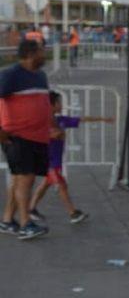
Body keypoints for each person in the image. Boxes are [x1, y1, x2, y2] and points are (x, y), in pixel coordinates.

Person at [28, 91, 113, 225]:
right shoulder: (42, 123)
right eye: (59, 102)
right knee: (62, 185)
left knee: (45, 184)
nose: (61, 105)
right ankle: (73, 213)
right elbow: (46, 136)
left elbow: (81, 119)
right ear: (51, 105)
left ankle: (31, 209)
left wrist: (102, 119)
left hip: (55, 161)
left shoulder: (60, 120)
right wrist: (54, 134)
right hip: (48, 162)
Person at [0, 40, 52, 240]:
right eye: (42, 51)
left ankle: (7, 220)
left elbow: (44, 104)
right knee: (26, 178)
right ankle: (25, 224)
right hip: (17, 136)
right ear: (31, 53)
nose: (44, 54)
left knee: (20, 179)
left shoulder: (40, 76)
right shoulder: (11, 75)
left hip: (38, 137)